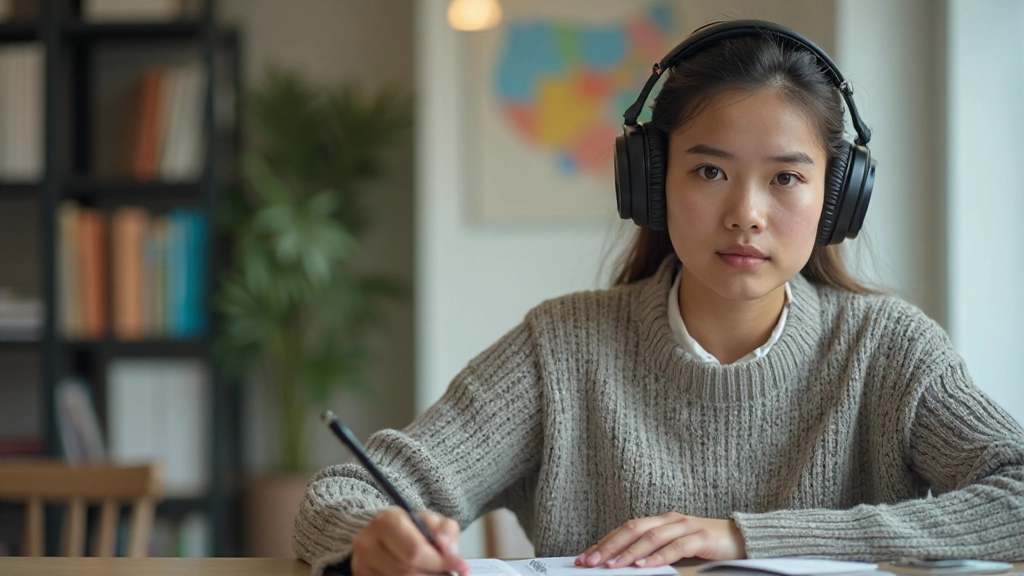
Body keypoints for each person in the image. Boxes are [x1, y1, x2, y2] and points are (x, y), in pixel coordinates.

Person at [292, 20, 1024, 576]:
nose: (746, 212)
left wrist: (741, 538)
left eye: (786, 178)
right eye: (709, 172)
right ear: (650, 182)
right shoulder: (563, 347)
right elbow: (343, 495)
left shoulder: (889, 350)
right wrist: (373, 542)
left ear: (838, 198)